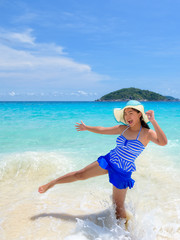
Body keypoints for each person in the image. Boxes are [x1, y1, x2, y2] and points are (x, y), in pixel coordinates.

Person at [38, 100, 167, 223]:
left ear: (139, 114)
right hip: (110, 160)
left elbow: (163, 142)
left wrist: (153, 121)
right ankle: (53, 183)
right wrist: (87, 128)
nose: (127, 116)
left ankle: (124, 235)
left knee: (118, 207)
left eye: (131, 113)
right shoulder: (123, 128)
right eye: (125, 114)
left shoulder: (147, 133)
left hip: (123, 171)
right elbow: (102, 129)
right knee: (80, 174)